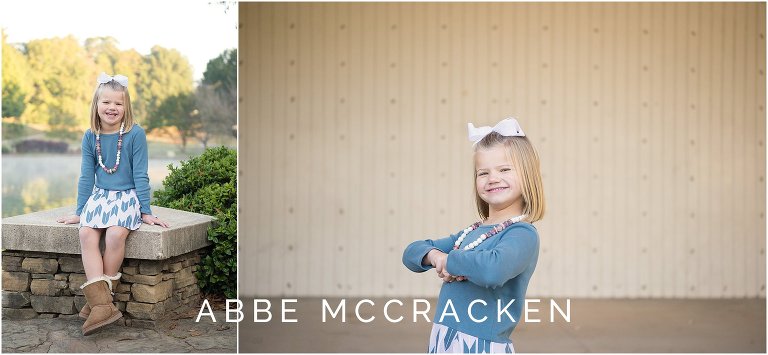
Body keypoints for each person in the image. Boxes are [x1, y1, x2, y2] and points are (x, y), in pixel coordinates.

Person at [403, 117, 545, 353]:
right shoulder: (470, 233)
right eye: (483, 173)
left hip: (481, 345)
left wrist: (451, 260)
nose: (493, 178)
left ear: (528, 175)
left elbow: (493, 270)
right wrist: (437, 257)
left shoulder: (522, 234)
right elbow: (412, 253)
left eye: (505, 169)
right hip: (443, 340)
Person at [57, 72, 169, 335]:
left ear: (125, 107)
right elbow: (86, 176)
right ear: (96, 105)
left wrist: (145, 211)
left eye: (118, 103)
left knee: (116, 234)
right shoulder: (90, 136)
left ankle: (98, 305)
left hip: (127, 196)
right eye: (106, 102)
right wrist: (80, 211)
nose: (112, 108)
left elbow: (141, 174)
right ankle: (103, 304)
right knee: (86, 232)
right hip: (100, 197)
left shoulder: (134, 134)